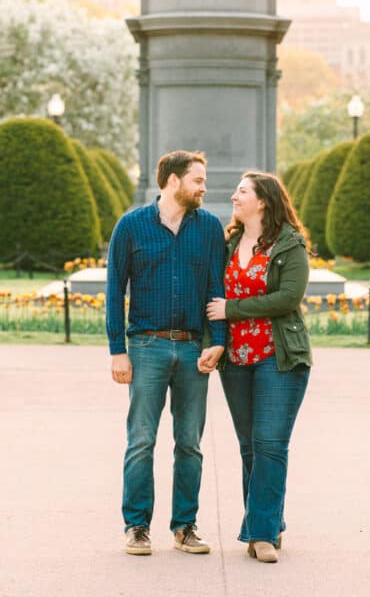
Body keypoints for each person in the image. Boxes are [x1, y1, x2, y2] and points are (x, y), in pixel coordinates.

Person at [106, 150, 226, 556]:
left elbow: (216, 288)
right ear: (173, 181)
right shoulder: (131, 226)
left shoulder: (209, 228)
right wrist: (117, 350)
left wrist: (217, 340)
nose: (204, 187)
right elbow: (114, 292)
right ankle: (137, 526)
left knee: (190, 443)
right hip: (146, 347)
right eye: (198, 180)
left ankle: (185, 526)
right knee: (141, 440)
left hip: (193, 349)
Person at [206, 171, 311, 564]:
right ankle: (269, 522)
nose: (234, 196)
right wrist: (214, 340)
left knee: (270, 444)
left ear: (263, 200)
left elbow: (288, 298)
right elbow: (212, 296)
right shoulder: (230, 243)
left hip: (277, 356)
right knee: (251, 446)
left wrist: (232, 309)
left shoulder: (289, 244)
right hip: (236, 360)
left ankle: (261, 534)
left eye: (242, 191)